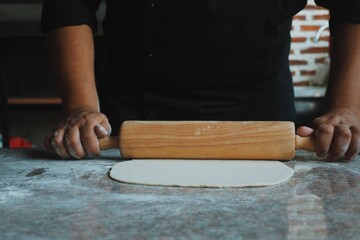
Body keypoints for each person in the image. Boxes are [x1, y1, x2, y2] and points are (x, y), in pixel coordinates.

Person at [41, 0, 360, 161]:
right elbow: (69, 5)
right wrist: (81, 106)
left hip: (261, 128)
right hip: (133, 125)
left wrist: (345, 107)